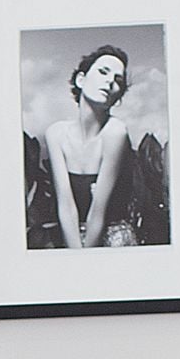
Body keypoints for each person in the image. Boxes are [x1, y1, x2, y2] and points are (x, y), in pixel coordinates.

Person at [40, 44, 141, 248]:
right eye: (103, 72)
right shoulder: (56, 133)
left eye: (118, 80)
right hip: (71, 237)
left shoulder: (115, 132)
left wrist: (87, 260)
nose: (110, 81)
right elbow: (66, 206)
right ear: (81, 80)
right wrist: (76, 255)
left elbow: (98, 212)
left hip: (113, 239)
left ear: (118, 96)